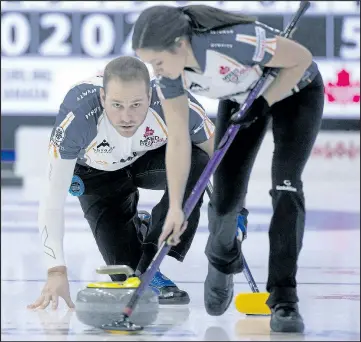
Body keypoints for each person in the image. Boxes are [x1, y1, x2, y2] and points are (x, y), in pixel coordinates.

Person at [132, 4, 324, 333]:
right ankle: (222, 259)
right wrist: (176, 207)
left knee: (286, 187)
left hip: (296, 91)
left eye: (158, 61)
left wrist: (264, 102)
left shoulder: (232, 42)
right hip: (241, 99)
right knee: (224, 200)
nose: (156, 70)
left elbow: (301, 58)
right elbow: (178, 141)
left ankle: (283, 299)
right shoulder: (170, 78)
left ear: (180, 44)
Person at [27, 56, 215, 310]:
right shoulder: (77, 118)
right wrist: (56, 271)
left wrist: (234, 208)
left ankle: (152, 256)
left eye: (136, 104)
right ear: (103, 98)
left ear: (150, 96)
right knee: (125, 273)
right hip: (96, 174)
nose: (126, 117)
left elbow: (220, 158)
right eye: (116, 105)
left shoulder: (176, 102)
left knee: (198, 159)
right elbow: (52, 198)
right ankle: (139, 238)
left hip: (149, 161)